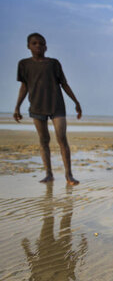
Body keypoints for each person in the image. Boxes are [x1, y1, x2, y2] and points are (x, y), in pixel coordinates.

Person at [14, 32, 82, 185]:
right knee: (44, 140)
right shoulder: (23, 64)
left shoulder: (53, 63)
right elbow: (24, 86)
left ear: (46, 47)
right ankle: (49, 174)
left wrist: (76, 102)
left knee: (62, 139)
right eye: (34, 43)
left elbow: (64, 84)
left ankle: (69, 175)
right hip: (37, 107)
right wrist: (17, 107)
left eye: (41, 43)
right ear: (28, 46)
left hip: (57, 106)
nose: (38, 46)